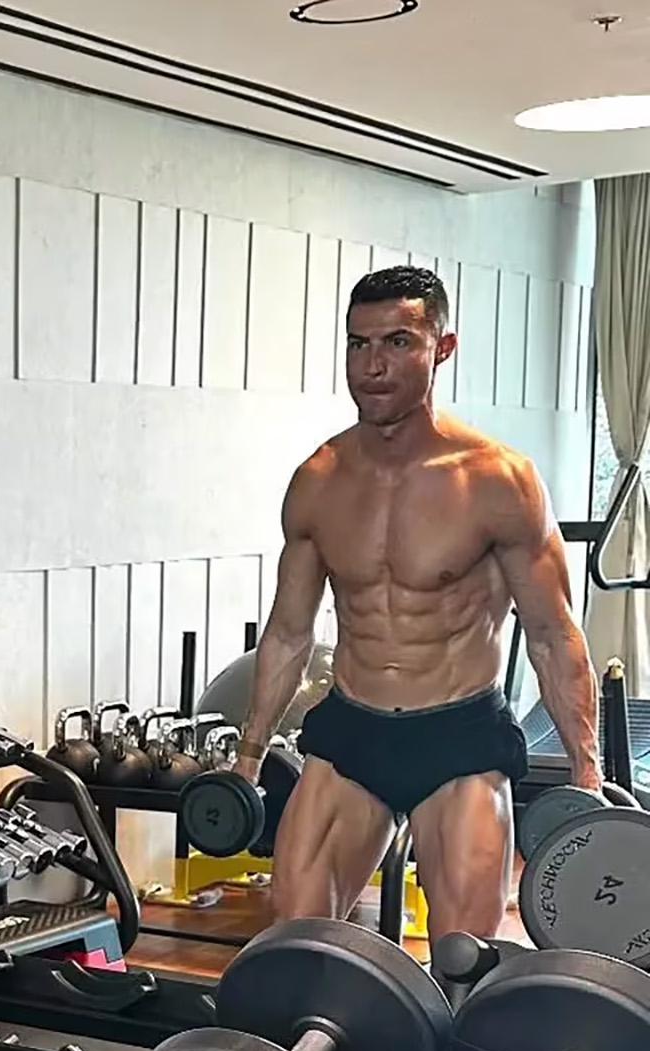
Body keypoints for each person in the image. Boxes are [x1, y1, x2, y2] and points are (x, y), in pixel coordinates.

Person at [234, 265, 600, 942]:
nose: (372, 366)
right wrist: (248, 758)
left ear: (443, 347)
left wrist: (586, 771)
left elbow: (552, 634)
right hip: (352, 730)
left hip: (458, 737)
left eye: (398, 342)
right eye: (359, 343)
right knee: (296, 941)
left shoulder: (498, 480)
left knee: (464, 955)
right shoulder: (319, 480)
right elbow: (287, 634)